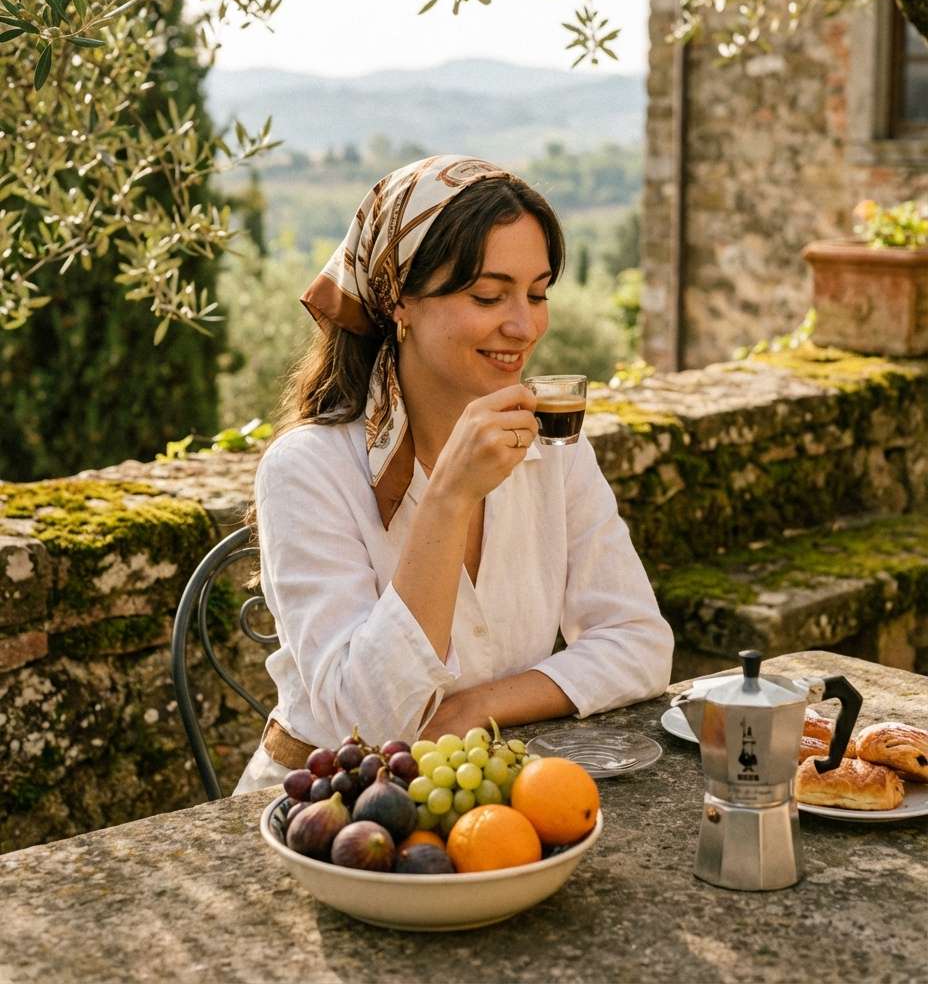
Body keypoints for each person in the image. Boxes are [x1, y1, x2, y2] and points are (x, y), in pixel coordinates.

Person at [234, 154, 673, 794]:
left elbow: (638, 642)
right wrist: (448, 497)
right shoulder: (308, 470)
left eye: (538, 292)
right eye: (488, 295)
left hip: (482, 790)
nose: (524, 326)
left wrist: (474, 709)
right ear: (400, 302)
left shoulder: (555, 447)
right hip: (324, 811)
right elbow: (368, 722)